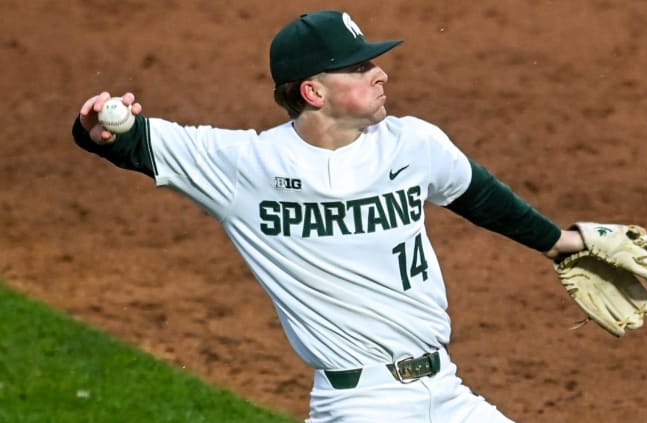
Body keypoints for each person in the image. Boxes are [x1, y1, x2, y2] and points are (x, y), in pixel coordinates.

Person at [72, 9, 584, 423]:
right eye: (360, 67)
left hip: (447, 392)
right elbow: (134, 143)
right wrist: (98, 128)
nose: (380, 71)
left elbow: (478, 194)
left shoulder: (413, 142)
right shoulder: (246, 165)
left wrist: (558, 242)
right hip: (359, 406)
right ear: (314, 92)